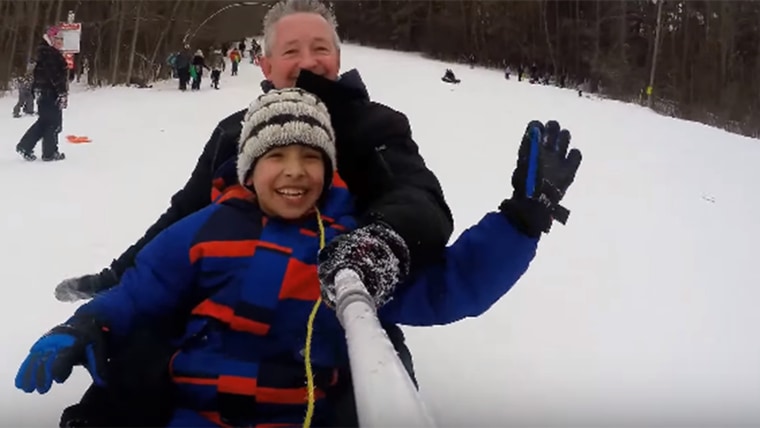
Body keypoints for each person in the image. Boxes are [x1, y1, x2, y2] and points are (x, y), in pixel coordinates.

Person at [16, 88, 582, 427]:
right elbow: (142, 291)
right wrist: (85, 324)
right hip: (192, 408)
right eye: (276, 156)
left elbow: (447, 288)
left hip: (297, 413)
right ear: (249, 169)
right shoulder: (205, 229)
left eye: (310, 157)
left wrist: (522, 220)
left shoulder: (352, 246)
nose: (293, 170)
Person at [52, 0, 453, 426]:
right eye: (291, 51)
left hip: (334, 304)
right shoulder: (234, 131)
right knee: (137, 359)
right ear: (265, 65)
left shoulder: (374, 127)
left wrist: (377, 244)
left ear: (337, 58)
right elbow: (185, 214)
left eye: (320, 48)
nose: (308, 62)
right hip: (226, 303)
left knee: (371, 382)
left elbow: (421, 203)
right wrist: (119, 275)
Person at [16, 25, 67, 162]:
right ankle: (48, 152)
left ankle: (28, 147)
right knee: (52, 122)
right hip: (48, 92)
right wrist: (61, 92)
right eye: (57, 39)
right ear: (50, 39)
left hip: (45, 92)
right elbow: (54, 75)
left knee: (46, 122)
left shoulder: (48, 53)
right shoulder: (49, 54)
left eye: (61, 39)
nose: (60, 42)